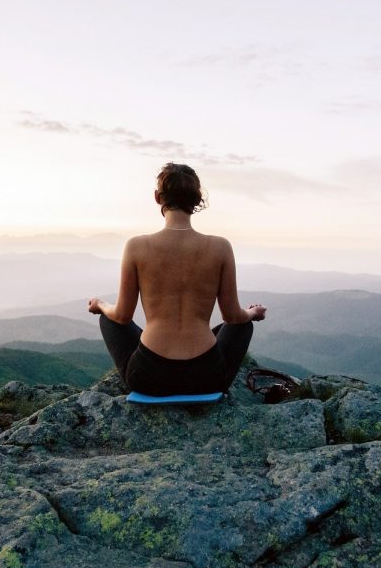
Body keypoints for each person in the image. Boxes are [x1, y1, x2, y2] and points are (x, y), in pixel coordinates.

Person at [88, 162, 266, 396]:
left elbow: (121, 316)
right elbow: (233, 316)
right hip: (208, 378)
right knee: (241, 326)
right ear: (196, 199)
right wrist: (253, 313)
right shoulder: (220, 247)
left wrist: (100, 304)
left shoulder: (136, 246)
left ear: (157, 197)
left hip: (148, 377)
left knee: (108, 319)